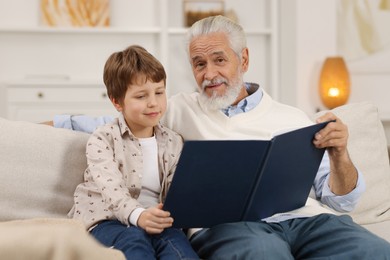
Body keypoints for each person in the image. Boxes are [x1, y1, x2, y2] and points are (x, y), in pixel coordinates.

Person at [53, 16, 390, 259]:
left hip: (307, 221)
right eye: (199, 64)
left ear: (243, 59)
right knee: (264, 253)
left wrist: (340, 154)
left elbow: (342, 202)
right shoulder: (175, 109)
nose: (209, 74)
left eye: (219, 60)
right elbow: (112, 121)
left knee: (374, 251)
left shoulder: (292, 117)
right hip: (234, 226)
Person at [68, 45, 199, 259]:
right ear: (117, 101)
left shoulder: (174, 141)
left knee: (178, 248)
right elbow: (113, 191)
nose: (153, 102)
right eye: (141, 96)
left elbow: (178, 192)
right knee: (134, 241)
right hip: (106, 220)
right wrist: (138, 216)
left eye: (159, 92)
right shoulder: (103, 139)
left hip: (156, 222)